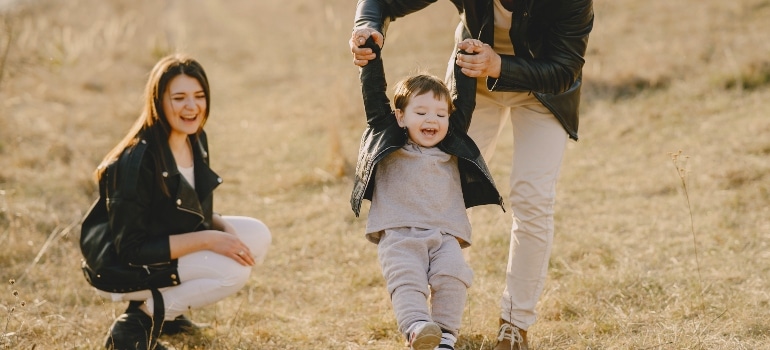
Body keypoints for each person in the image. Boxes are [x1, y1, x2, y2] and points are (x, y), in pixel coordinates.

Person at [350, 1, 594, 349]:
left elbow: (564, 69)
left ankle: (515, 324)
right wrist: (367, 25)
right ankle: (428, 322)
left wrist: (499, 64)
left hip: (544, 91)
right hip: (471, 88)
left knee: (533, 199)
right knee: (440, 189)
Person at [79, 54, 272, 350]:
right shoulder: (137, 161)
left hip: (162, 243)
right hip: (122, 264)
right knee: (233, 272)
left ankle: (170, 315)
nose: (192, 107)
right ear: (158, 102)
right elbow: (131, 249)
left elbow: (187, 209)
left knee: (257, 235)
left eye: (199, 96)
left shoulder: (194, 138)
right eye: (179, 98)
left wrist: (221, 229)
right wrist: (209, 239)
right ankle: (135, 326)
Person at [350, 36, 503, 350]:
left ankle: (445, 336)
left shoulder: (451, 142)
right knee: (407, 280)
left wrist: (466, 57)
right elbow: (373, 96)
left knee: (453, 275)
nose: (432, 119)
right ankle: (418, 328)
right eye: (421, 113)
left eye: (440, 114)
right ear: (401, 117)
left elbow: (465, 100)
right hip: (399, 233)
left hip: (445, 233)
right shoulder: (390, 138)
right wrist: (370, 53)